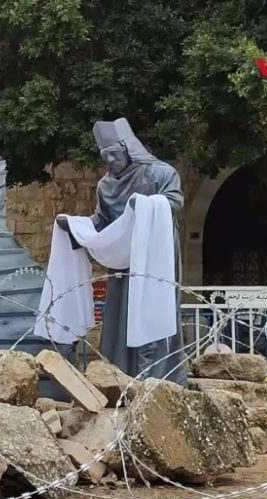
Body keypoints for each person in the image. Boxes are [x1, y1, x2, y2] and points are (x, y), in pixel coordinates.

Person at [58, 117, 187, 384]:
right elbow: (102, 221)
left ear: (129, 149)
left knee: (153, 309)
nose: (110, 163)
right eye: (105, 158)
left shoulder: (161, 173)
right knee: (120, 312)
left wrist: (146, 204)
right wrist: (73, 225)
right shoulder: (106, 185)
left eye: (114, 155)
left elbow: (174, 201)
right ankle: (121, 374)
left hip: (154, 255)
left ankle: (157, 376)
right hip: (123, 257)